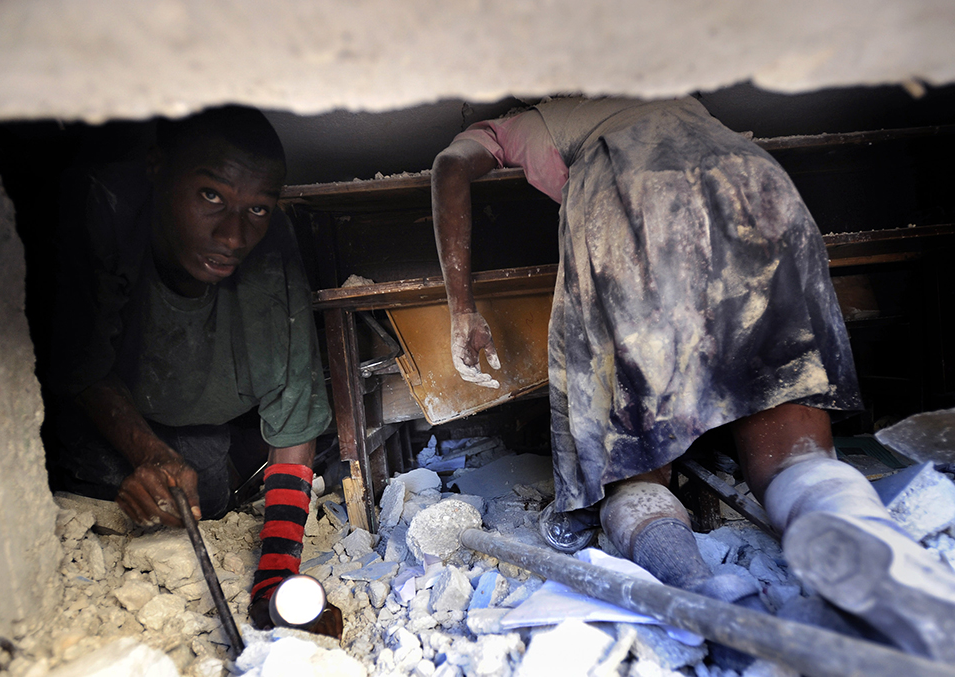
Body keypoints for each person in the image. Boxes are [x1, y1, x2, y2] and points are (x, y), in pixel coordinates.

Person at [431, 95, 955, 662]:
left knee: (630, 471)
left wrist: (462, 308)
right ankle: (862, 538)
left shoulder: (523, 123)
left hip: (633, 201)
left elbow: (450, 166)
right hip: (754, 182)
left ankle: (706, 594)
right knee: (797, 460)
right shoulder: (674, 99)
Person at [48, 105, 334, 631]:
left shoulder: (273, 259)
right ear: (157, 168)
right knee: (103, 495)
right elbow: (76, 359)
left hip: (198, 421)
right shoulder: (104, 210)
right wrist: (148, 452)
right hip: (106, 414)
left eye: (258, 210)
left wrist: (275, 580)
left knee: (202, 490)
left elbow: (295, 422)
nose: (232, 236)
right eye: (211, 196)